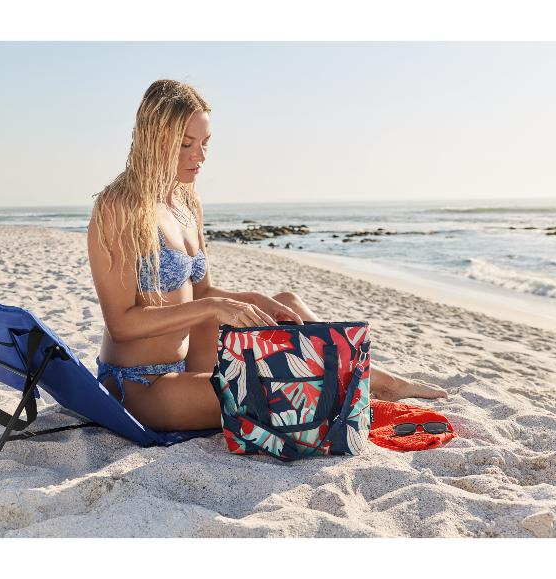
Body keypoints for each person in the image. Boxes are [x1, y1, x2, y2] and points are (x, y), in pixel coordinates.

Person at [87, 79, 446, 432]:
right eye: (186, 144)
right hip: (140, 383)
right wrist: (214, 309)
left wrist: (254, 300)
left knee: (285, 303)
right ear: (155, 140)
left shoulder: (186, 202)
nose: (201, 156)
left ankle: (376, 379)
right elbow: (121, 325)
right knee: (281, 392)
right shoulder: (120, 208)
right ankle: (359, 384)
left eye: (206, 143)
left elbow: (202, 293)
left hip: (189, 358)